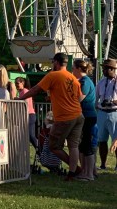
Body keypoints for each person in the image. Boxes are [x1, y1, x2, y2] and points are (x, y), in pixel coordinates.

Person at [17, 52, 84, 180]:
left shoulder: (53, 75)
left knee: (53, 146)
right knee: (73, 146)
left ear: (56, 63)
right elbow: (78, 97)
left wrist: (21, 98)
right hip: (78, 115)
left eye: (53, 62)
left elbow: (36, 89)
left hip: (65, 117)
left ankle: (76, 169)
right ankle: (73, 172)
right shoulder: (73, 78)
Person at [72, 59, 97, 181]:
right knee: (83, 145)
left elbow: (79, 98)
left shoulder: (85, 82)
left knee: (87, 145)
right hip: (84, 116)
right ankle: (85, 172)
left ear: (78, 68)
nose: (72, 70)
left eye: (73, 68)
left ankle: (89, 174)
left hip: (88, 116)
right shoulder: (82, 81)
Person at [95, 58, 117, 170]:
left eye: (105, 68)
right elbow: (96, 98)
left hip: (114, 113)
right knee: (102, 140)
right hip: (102, 113)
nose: (103, 70)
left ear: (112, 69)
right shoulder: (101, 82)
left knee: (115, 139)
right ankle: (103, 164)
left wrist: (112, 101)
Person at [15, 76, 38, 151]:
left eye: (17, 83)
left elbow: (25, 103)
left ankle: (40, 150)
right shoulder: (20, 92)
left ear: (22, 83)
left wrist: (17, 100)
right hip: (26, 115)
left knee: (31, 135)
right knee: (29, 136)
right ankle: (38, 151)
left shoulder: (25, 91)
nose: (16, 85)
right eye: (15, 84)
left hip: (30, 115)